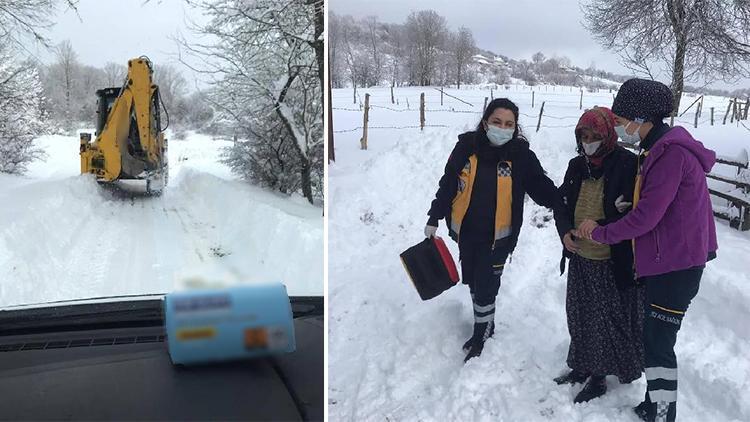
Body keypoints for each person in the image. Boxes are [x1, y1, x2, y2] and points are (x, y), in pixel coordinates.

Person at [576, 79, 718, 422]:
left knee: (658, 344)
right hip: (668, 261)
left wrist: (602, 232)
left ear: (642, 117)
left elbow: (646, 218)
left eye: (624, 119)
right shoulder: (658, 149)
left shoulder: (671, 155)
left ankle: (663, 412)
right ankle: (655, 403)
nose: (623, 126)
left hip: (677, 266)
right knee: (654, 338)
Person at [425, 98, 571, 363]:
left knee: (486, 285)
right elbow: (448, 183)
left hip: (499, 239)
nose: (502, 128)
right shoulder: (466, 148)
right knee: (473, 279)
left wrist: (565, 200)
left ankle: (482, 331)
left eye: (509, 124)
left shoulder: (521, 156)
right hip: (466, 233)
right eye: (496, 122)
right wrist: (434, 215)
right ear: (485, 122)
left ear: (515, 128)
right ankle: (484, 321)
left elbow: (541, 187)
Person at [554, 106, 644, 404]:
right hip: (581, 256)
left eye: (594, 135)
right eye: (583, 135)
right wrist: (565, 231)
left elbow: (637, 214)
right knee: (579, 316)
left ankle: (599, 377)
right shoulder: (577, 165)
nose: (588, 140)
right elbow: (562, 205)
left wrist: (605, 225)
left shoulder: (628, 165)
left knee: (604, 321)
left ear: (607, 135)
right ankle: (581, 365)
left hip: (611, 259)